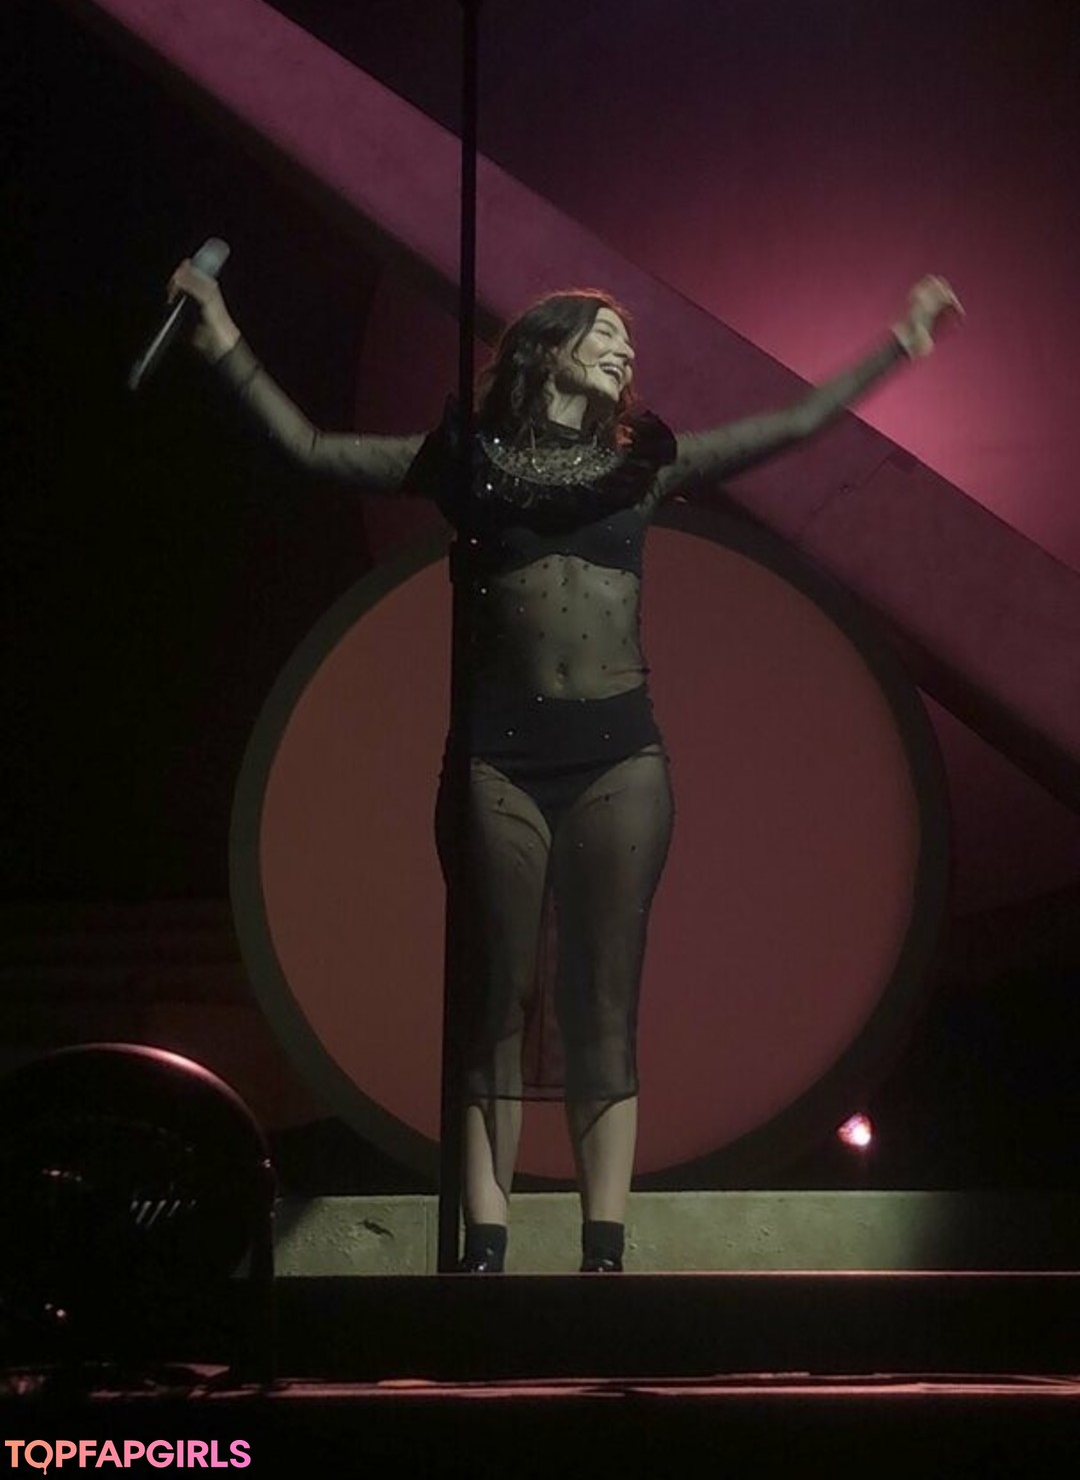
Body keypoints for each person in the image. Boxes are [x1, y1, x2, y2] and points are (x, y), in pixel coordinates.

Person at [168, 260, 961, 1272]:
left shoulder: (643, 464)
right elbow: (312, 447)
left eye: (626, 342)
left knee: (602, 1004)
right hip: (497, 759)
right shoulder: (465, 463)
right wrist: (222, 336)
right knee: (493, 1002)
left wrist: (900, 342)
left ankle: (604, 1247)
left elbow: (796, 423)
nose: (625, 351)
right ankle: (486, 1241)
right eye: (605, 335)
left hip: (618, 762)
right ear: (549, 352)